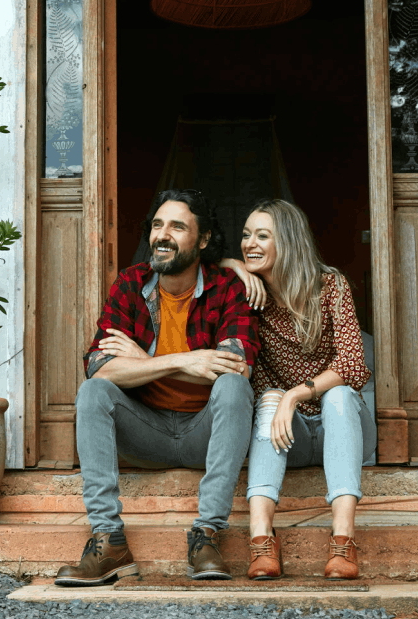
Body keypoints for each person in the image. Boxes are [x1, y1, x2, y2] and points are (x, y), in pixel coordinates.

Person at [54, 189, 259, 587]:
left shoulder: (227, 288)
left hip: (206, 434)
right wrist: (183, 360)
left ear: (203, 239)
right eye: (158, 225)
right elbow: (98, 367)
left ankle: (207, 535)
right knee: (93, 392)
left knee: (234, 387)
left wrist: (140, 362)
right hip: (143, 432)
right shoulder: (132, 283)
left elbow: (236, 366)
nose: (163, 235)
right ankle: (108, 541)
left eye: (178, 227)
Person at [222, 199, 376, 580]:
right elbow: (206, 268)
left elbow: (353, 364)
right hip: (287, 435)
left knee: (337, 394)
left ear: (288, 242)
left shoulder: (330, 286)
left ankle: (343, 541)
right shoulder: (251, 296)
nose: (249, 243)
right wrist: (235, 267)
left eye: (262, 236)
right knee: (270, 399)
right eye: (246, 235)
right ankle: (261, 540)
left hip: (341, 426)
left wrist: (296, 394)